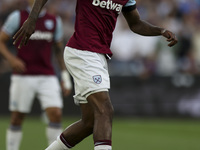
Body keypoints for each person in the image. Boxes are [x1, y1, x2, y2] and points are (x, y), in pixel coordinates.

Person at [12, 0, 178, 150]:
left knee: (90, 122)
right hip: (82, 51)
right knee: (105, 110)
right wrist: (32, 18)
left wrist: (161, 30)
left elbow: (136, 24)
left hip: (99, 55)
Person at [0, 0, 72, 150]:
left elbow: (58, 51)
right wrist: (12, 59)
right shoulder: (17, 17)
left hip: (47, 75)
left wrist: (65, 77)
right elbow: (1, 41)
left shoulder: (54, 20)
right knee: (17, 117)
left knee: (56, 113)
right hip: (22, 75)